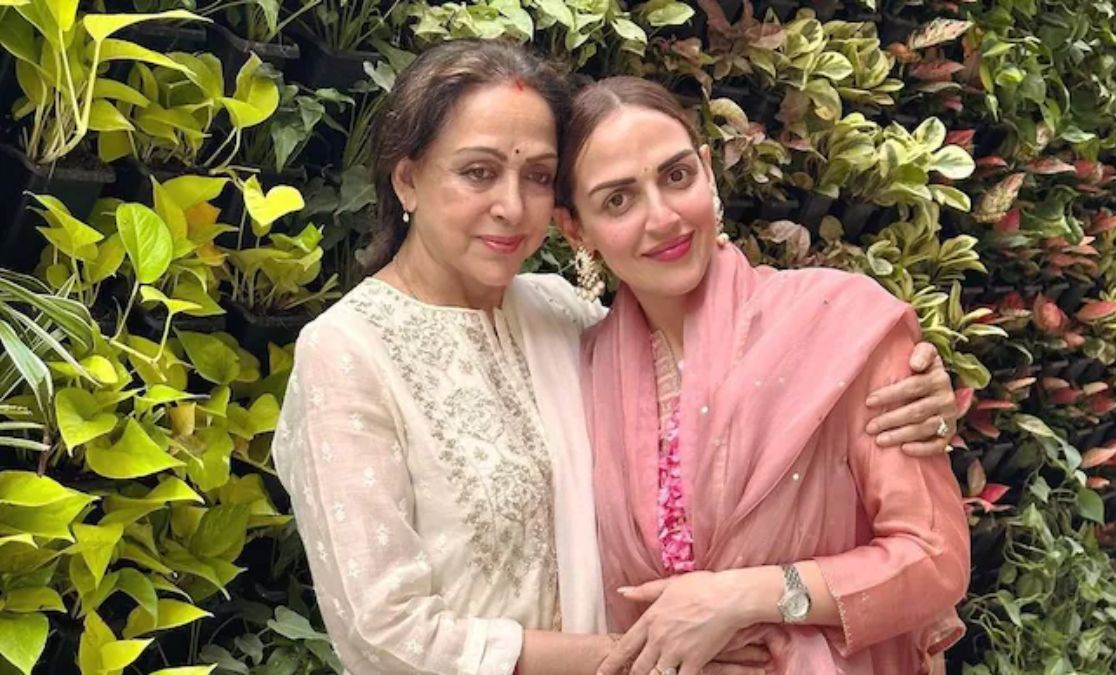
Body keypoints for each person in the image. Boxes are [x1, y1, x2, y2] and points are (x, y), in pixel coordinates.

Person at [271, 40, 961, 675]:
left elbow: (745, 387)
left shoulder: (559, 316)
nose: (510, 206)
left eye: (537, 176)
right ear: (407, 181)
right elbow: (384, 631)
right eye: (477, 172)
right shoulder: (348, 351)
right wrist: (641, 653)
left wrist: (914, 385)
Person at [556, 77, 971, 675]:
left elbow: (934, 557)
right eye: (618, 200)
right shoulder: (576, 374)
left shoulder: (840, 325)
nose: (663, 217)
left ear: (707, 170)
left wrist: (743, 597)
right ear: (576, 229)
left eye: (677, 176)